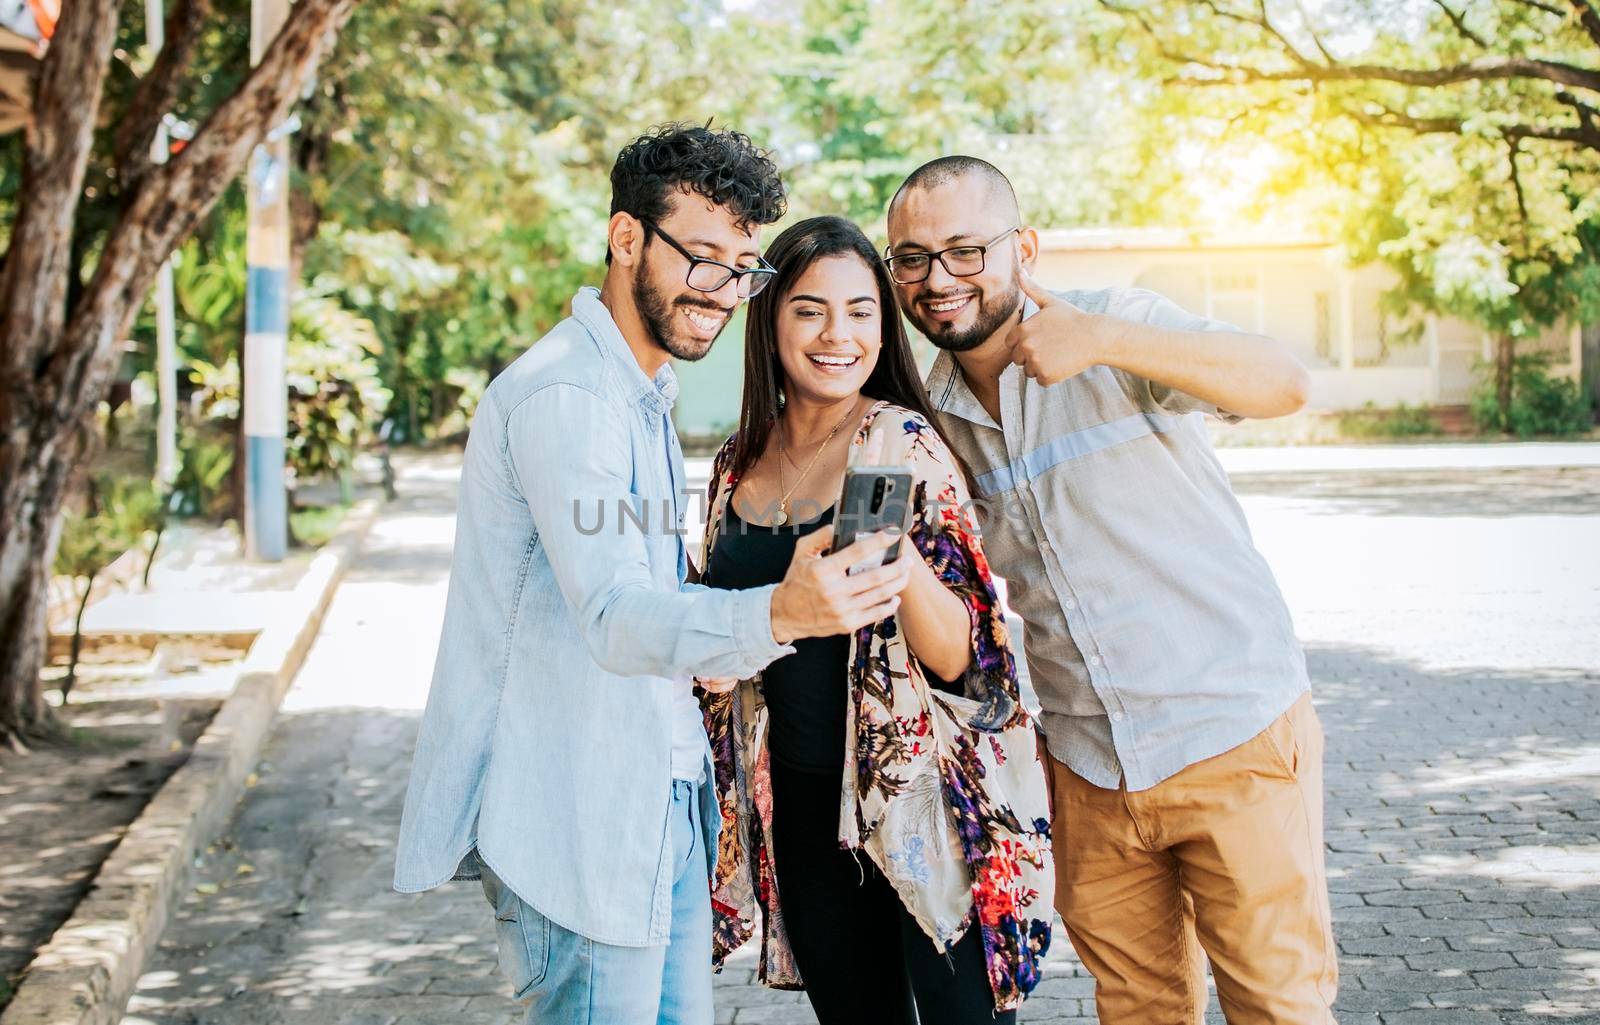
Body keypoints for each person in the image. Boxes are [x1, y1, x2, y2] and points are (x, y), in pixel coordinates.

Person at [391, 124, 909, 1025]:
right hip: (580, 815)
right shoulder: (573, 400)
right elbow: (616, 615)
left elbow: (643, 592)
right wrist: (777, 613)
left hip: (651, 800)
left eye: (740, 267)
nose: (721, 290)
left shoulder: (639, 396)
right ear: (626, 237)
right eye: (700, 257)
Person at [884, 156, 1336, 1025]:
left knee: (1280, 1008)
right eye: (913, 257)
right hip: (1087, 766)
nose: (938, 279)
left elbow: (1284, 383)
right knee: (1138, 1012)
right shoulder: (930, 411)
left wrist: (1103, 341)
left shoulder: (1116, 324)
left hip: (1229, 730)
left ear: (1024, 247)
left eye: (966, 250)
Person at [696, 214, 1053, 1025]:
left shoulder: (898, 443)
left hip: (917, 803)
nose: (838, 334)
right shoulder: (736, 461)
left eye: (862, 310)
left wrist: (892, 548)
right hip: (802, 804)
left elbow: (966, 657)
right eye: (810, 309)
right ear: (771, 318)